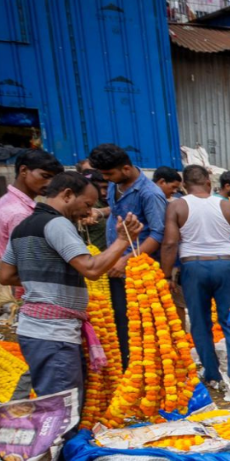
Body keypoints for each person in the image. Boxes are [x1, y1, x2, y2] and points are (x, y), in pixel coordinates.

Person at [0, 172, 131, 413]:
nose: (89, 213)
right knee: (61, 409)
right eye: (87, 205)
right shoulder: (57, 224)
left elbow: (5, 275)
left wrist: (42, 281)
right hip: (54, 332)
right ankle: (59, 450)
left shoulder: (23, 227)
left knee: (54, 399)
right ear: (67, 195)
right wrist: (122, 241)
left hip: (34, 329)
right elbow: (91, 269)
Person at [161, 165, 230, 397]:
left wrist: (164, 274)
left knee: (201, 323)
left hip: (193, 266)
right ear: (209, 183)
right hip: (225, 264)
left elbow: (170, 243)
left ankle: (212, 374)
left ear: (184, 185)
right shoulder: (225, 205)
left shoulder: (177, 205)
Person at [90, 145, 167, 368]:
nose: (106, 181)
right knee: (120, 321)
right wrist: (99, 212)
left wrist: (126, 260)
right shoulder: (116, 185)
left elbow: (158, 233)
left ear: (125, 168)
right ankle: (127, 367)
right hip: (115, 263)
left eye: (109, 174)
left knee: (139, 325)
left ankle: (143, 368)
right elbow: (116, 211)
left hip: (136, 270)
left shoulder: (149, 193)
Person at [0, 149, 63, 265]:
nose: (50, 184)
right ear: (23, 170)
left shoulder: (5, 200)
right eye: (45, 176)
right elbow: (29, 263)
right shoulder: (21, 213)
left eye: (53, 179)